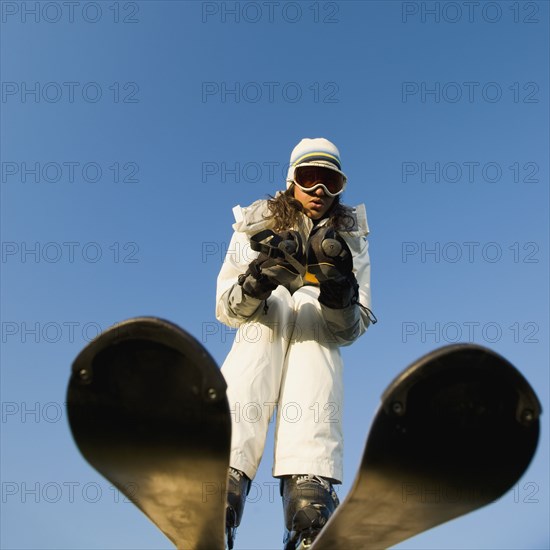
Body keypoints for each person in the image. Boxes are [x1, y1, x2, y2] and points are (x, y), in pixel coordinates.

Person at [215, 137, 375, 549]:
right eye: (309, 178)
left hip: (318, 328)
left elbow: (351, 329)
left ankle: (309, 493)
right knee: (260, 341)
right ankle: (223, 473)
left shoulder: (350, 238)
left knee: (314, 344)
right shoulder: (255, 223)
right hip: (262, 319)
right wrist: (256, 281)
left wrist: (340, 293)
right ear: (292, 181)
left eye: (331, 181)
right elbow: (226, 307)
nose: (320, 190)